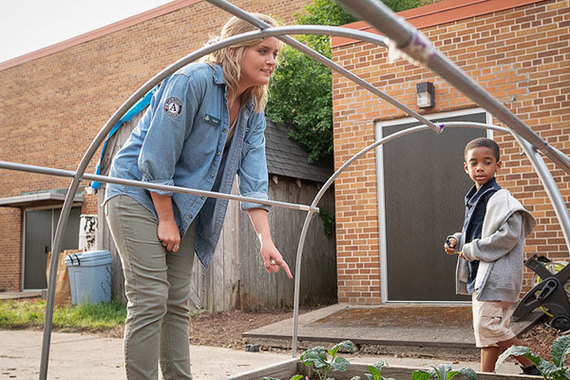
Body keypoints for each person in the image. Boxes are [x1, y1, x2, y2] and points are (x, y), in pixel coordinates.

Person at [104, 14, 292, 379]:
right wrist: (166, 218)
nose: (272, 60)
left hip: (180, 203)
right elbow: (155, 157)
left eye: (276, 54)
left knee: (176, 302)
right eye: (263, 50)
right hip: (136, 193)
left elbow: (253, 176)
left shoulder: (252, 111)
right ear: (235, 50)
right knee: (150, 298)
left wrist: (265, 239)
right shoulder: (192, 80)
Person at [443, 137, 540, 376]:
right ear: (466, 167)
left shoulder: (501, 199)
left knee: (489, 327)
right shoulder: (475, 199)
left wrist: (470, 249)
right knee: (488, 334)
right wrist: (458, 239)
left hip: (496, 277)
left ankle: (534, 366)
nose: (480, 168)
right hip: (481, 276)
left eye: (487, 162)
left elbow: (507, 237)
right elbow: (476, 233)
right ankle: (487, 375)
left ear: (498, 165)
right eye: (474, 163)